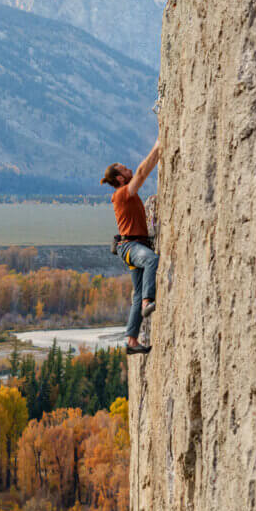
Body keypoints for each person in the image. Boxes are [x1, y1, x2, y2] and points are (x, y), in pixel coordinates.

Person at [102, 139, 161, 354]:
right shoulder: (122, 193)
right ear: (120, 178)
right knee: (151, 260)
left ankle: (131, 340)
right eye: (124, 169)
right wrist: (157, 147)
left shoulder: (125, 193)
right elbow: (142, 172)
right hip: (131, 247)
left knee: (136, 294)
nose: (129, 170)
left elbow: (140, 172)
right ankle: (148, 302)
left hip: (132, 246)